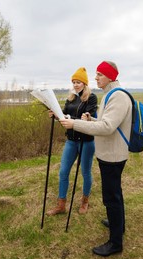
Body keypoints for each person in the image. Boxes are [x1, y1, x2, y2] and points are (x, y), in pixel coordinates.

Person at [59, 61, 132, 257]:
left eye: (100, 74)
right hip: (110, 153)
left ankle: (115, 243)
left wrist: (74, 124)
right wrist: (90, 120)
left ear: (109, 76)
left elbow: (107, 128)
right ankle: (119, 224)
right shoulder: (111, 95)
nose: (96, 77)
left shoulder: (118, 97)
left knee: (111, 197)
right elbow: (104, 123)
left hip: (113, 155)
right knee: (115, 192)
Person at [46, 67, 98, 216]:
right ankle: (61, 205)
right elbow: (64, 116)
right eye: (74, 82)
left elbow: (89, 115)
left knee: (85, 172)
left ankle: (84, 201)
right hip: (71, 141)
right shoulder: (70, 99)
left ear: (84, 84)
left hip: (86, 141)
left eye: (78, 82)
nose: (75, 85)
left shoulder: (91, 97)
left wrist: (87, 116)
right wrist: (56, 115)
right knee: (63, 172)